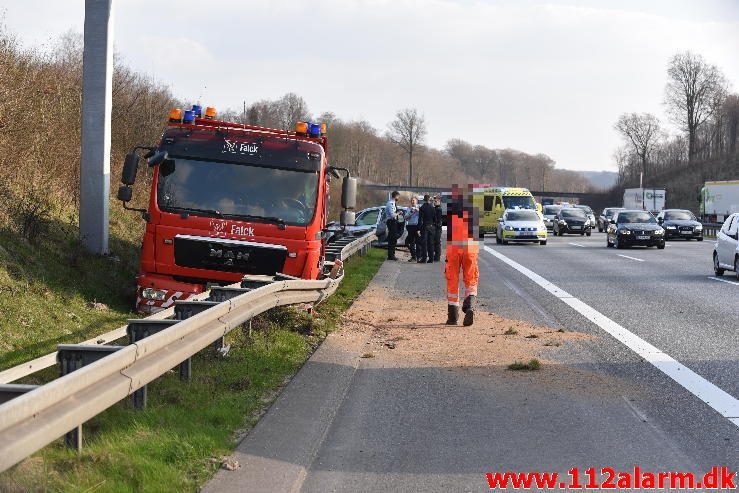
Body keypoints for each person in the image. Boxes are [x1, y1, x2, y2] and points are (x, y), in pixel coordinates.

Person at [445, 184, 480, 326]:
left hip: (453, 247)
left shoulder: (451, 211)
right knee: (471, 279)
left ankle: (453, 317)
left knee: (452, 279)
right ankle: (470, 305)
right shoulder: (475, 211)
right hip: (470, 246)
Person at [417, 194, 436, 263]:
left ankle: (424, 258)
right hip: (431, 226)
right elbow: (435, 219)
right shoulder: (433, 208)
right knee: (431, 243)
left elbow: (420, 219)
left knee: (424, 243)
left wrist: (418, 228)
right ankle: (431, 258)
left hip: (425, 226)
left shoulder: (422, 208)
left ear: (424, 200)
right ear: (429, 199)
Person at [385, 191, 401, 261]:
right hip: (391, 222)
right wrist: (398, 213)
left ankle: (391, 255)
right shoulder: (391, 203)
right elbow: (392, 215)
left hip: (393, 222)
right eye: (398, 196)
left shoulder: (393, 203)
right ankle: (391, 256)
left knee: (393, 239)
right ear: (396, 196)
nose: (398, 198)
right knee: (392, 239)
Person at [404, 197, 420, 261]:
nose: (412, 202)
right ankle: (413, 256)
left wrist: (417, 210)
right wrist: (411, 212)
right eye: (411, 200)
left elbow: (422, 215)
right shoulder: (409, 208)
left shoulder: (419, 208)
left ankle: (419, 256)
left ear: (416, 201)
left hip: (417, 227)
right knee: (411, 242)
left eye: (413, 200)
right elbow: (406, 218)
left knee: (418, 242)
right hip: (410, 226)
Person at [433, 195, 443, 262]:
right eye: (434, 201)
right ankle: (436, 256)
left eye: (436, 201)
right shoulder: (436, 208)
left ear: (439, 202)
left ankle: (437, 257)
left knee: (437, 242)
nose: (434, 202)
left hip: (437, 228)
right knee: (435, 242)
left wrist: (435, 224)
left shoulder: (439, 209)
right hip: (436, 227)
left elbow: (439, 220)